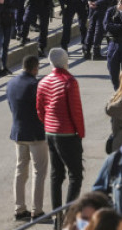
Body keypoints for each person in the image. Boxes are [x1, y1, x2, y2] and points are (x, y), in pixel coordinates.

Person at [36, 48, 84, 210]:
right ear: (65, 61)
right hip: (67, 132)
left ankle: (57, 215)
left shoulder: (43, 81)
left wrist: (47, 123)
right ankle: (68, 215)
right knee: (75, 175)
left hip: (50, 131)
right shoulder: (69, 81)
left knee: (56, 174)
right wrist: (80, 133)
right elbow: (75, 111)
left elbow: (40, 109)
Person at [7, 55, 48, 221]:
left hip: (18, 131)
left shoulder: (11, 83)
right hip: (36, 134)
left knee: (20, 170)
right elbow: (44, 108)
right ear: (35, 68)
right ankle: (36, 210)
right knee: (39, 172)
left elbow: (11, 106)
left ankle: (19, 208)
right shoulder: (36, 85)